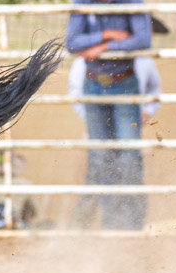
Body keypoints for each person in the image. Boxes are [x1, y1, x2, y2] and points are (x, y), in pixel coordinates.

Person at [64, 0, 151, 230]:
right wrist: (107, 34)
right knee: (102, 155)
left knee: (128, 154)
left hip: (123, 81)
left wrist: (103, 45)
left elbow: (142, 39)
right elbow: (72, 42)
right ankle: (114, 222)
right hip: (96, 84)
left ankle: (133, 221)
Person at [67, 54, 162, 228]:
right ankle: (84, 226)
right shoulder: (85, 61)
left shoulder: (144, 60)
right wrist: (92, 120)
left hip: (129, 126)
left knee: (130, 169)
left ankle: (133, 224)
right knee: (98, 174)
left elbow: (154, 91)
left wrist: (146, 112)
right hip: (98, 127)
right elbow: (76, 95)